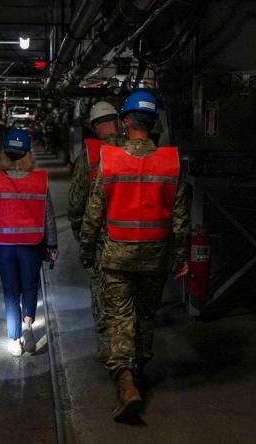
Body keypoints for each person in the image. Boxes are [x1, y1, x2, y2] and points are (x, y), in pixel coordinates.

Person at [80, 90, 190, 423]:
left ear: (125, 121)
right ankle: (139, 372)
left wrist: (86, 248)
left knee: (119, 317)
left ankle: (126, 383)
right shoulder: (171, 162)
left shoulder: (110, 158)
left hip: (117, 255)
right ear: (152, 121)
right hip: (154, 255)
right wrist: (180, 255)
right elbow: (180, 218)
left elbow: (93, 212)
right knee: (144, 315)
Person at [0, 128, 59, 356]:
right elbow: (48, 216)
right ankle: (28, 329)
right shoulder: (39, 181)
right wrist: (52, 245)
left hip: (3, 245)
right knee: (30, 286)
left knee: (11, 292)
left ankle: (14, 340)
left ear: (4, 153)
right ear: (27, 154)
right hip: (31, 245)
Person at [66, 100, 125, 364]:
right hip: (139, 235)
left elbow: (76, 202)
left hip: (103, 237)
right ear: (119, 121)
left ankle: (107, 345)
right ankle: (131, 347)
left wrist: (81, 233)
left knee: (102, 291)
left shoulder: (89, 156)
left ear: (94, 127)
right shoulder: (138, 149)